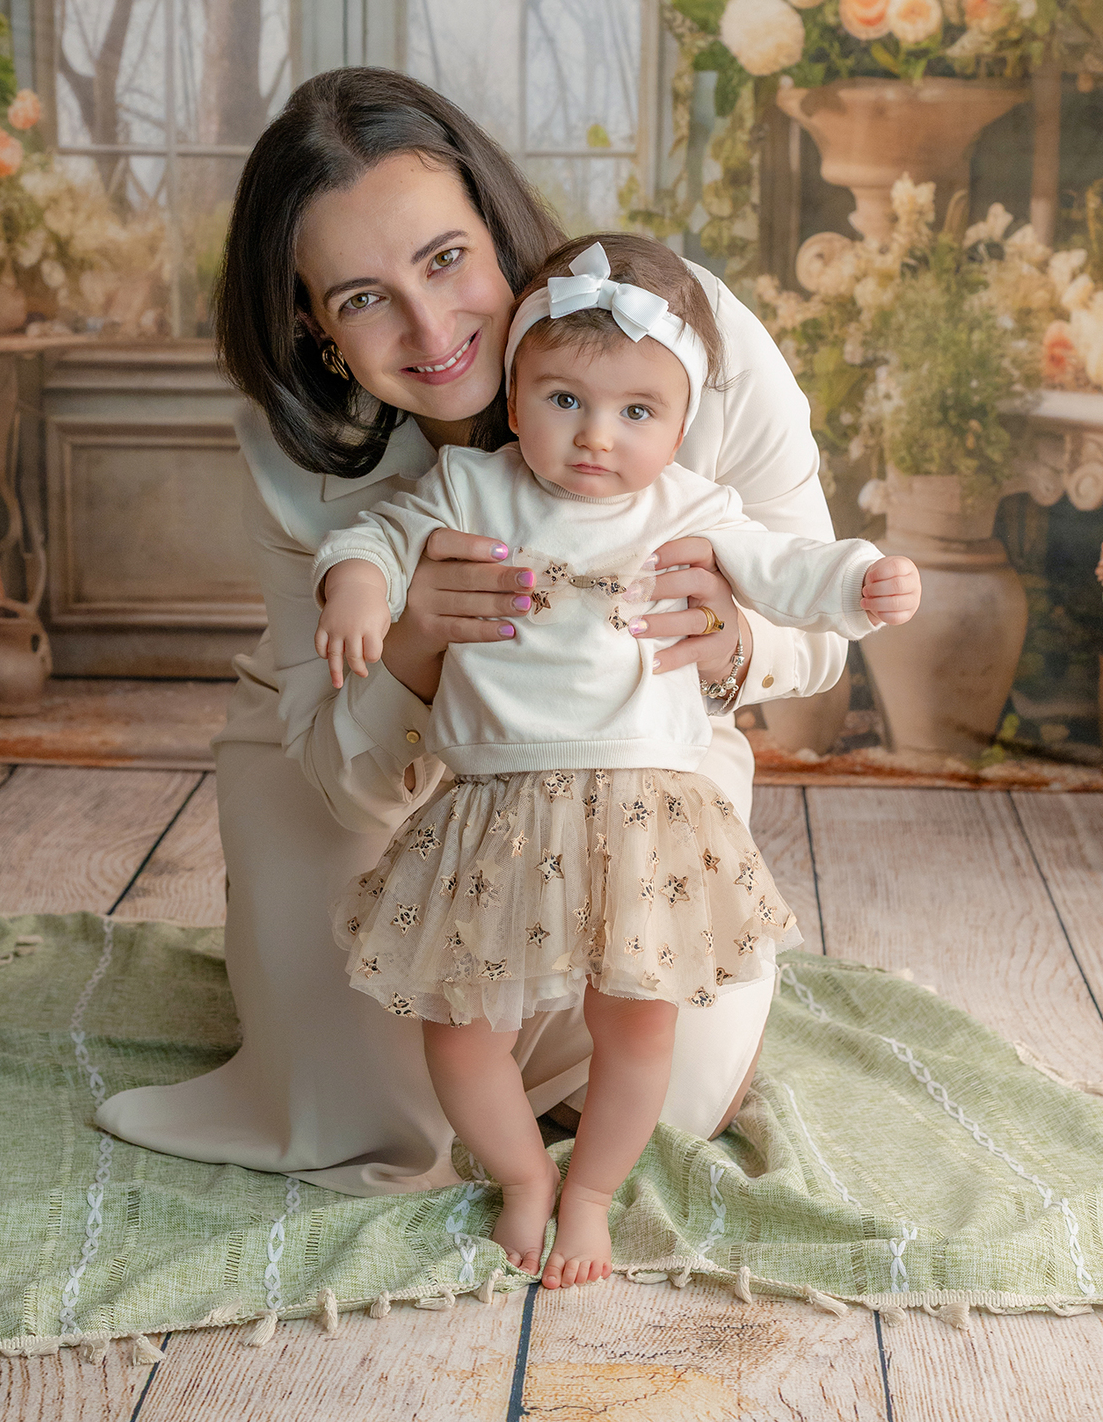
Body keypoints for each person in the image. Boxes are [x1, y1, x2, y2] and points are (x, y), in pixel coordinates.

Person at [96, 67, 862, 1195]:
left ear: (497, 226)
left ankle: (579, 1049)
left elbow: (818, 634)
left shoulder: (679, 335)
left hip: (629, 751)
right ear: (314, 323)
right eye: (362, 298)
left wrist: (736, 643)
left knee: (666, 1097)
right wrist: (410, 650)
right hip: (349, 757)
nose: (431, 328)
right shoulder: (294, 449)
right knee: (367, 1102)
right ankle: (411, 1031)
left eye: (446, 259)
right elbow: (345, 775)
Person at [313, 235, 919, 1284]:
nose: (597, 438)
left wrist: (862, 581)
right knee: (458, 1024)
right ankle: (521, 1174)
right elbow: (371, 538)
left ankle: (590, 1190)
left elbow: (790, 569)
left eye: (638, 412)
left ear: (683, 423)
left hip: (646, 816)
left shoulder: (688, 506)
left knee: (635, 1026)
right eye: (563, 401)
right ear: (512, 394)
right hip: (494, 814)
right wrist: (361, 590)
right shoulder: (468, 486)